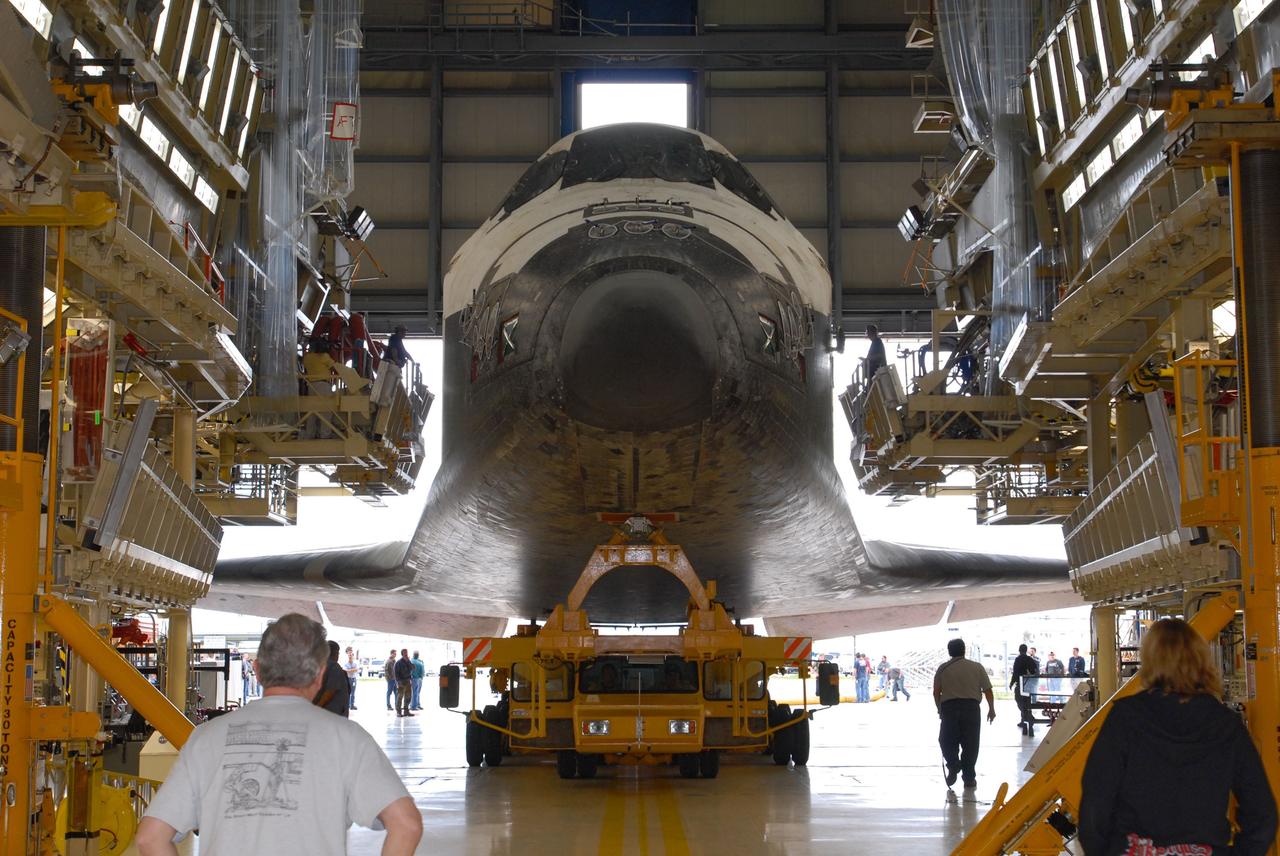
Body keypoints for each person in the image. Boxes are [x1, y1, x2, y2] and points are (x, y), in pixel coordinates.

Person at [134, 614, 421, 856]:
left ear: (256, 670)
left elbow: (150, 838)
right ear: (320, 675)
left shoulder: (206, 737)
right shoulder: (348, 739)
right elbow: (406, 825)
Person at [1079, 618, 1277, 855]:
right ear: (1201, 660)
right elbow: (1262, 811)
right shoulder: (1226, 724)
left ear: (1150, 661)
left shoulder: (1125, 718)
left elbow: (1096, 800)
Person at [933, 638, 995, 790]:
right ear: (964, 650)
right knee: (971, 743)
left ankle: (953, 765)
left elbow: (936, 692)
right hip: (971, 709)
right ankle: (969, 778)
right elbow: (987, 690)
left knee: (946, 740)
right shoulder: (976, 667)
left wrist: (939, 709)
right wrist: (991, 709)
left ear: (949, 651)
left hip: (950, 708)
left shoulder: (943, 668)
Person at [314, 641, 350, 717]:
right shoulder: (334, 667)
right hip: (333, 712)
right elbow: (330, 691)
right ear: (336, 653)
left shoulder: (322, 666)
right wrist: (317, 707)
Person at [1010, 643, 1039, 737]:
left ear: (1019, 650)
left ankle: (1027, 718)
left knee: (1020, 702)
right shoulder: (1030, 659)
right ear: (1026, 650)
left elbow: (1015, 673)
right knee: (1027, 703)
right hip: (1029, 686)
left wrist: (1011, 683)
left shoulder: (1018, 659)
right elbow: (1035, 671)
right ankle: (1026, 719)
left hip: (1021, 685)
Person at [394, 649, 414, 717]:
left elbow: (413, 668)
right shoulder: (398, 662)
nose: (406, 654)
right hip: (401, 682)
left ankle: (406, 711)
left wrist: (408, 661)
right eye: (405, 653)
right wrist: (398, 682)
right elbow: (396, 673)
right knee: (400, 697)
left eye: (407, 652)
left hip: (408, 681)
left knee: (408, 697)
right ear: (402, 654)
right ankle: (398, 712)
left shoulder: (408, 661)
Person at [343, 646, 359, 710]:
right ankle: (347, 705)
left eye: (351, 654)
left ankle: (352, 705)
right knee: (347, 693)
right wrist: (353, 669)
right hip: (347, 679)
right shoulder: (345, 662)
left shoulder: (355, 662)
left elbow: (357, 669)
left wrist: (350, 670)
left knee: (353, 693)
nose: (350, 656)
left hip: (353, 679)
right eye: (349, 654)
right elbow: (345, 671)